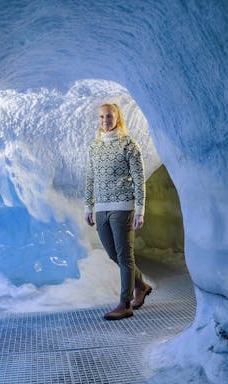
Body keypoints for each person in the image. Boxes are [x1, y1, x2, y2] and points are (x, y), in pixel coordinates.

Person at [84, 103, 152, 320]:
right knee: (114, 254)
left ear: (118, 118)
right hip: (102, 208)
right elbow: (90, 178)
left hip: (123, 207)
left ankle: (125, 303)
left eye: (110, 116)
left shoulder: (128, 144)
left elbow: (139, 179)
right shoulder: (94, 146)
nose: (105, 120)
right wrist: (89, 206)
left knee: (124, 255)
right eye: (102, 116)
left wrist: (140, 210)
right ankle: (141, 285)